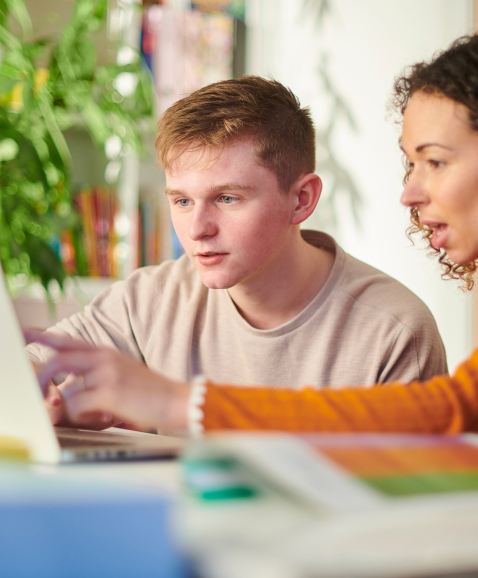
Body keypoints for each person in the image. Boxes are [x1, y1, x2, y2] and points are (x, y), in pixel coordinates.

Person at [27, 20, 478, 512]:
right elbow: (473, 465)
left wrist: (172, 404)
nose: (409, 192)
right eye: (411, 164)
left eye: (433, 163)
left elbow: (451, 417)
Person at [29, 75, 447, 431]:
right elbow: (27, 368)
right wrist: (43, 401)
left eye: (227, 199)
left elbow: (401, 509)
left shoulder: (394, 333)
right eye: (182, 201)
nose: (196, 229)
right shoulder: (150, 300)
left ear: (301, 200)